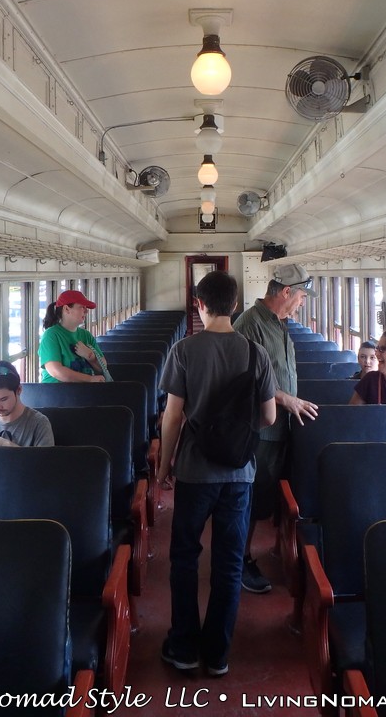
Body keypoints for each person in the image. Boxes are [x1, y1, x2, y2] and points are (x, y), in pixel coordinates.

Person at [157, 270, 276, 677]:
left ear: (200, 305)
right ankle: (218, 653)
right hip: (239, 474)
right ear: (236, 305)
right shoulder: (256, 353)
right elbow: (268, 416)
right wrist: (236, 432)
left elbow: (173, 416)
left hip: (194, 472)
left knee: (185, 558)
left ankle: (184, 647)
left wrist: (163, 468)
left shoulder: (184, 351)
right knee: (228, 563)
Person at [232, 263, 319, 593]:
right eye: (301, 296)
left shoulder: (280, 324)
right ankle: (239, 561)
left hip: (282, 427)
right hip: (260, 430)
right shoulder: (249, 325)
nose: (302, 302)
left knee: (266, 496)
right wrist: (287, 399)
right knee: (252, 499)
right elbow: (246, 379)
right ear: (286, 292)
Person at [39, 289, 109, 383]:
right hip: (56, 390)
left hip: (83, 390)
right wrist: (90, 379)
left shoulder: (86, 335)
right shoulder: (51, 335)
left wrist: (90, 356)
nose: (86, 311)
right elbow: (56, 371)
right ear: (66, 309)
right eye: (82, 307)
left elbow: (103, 367)